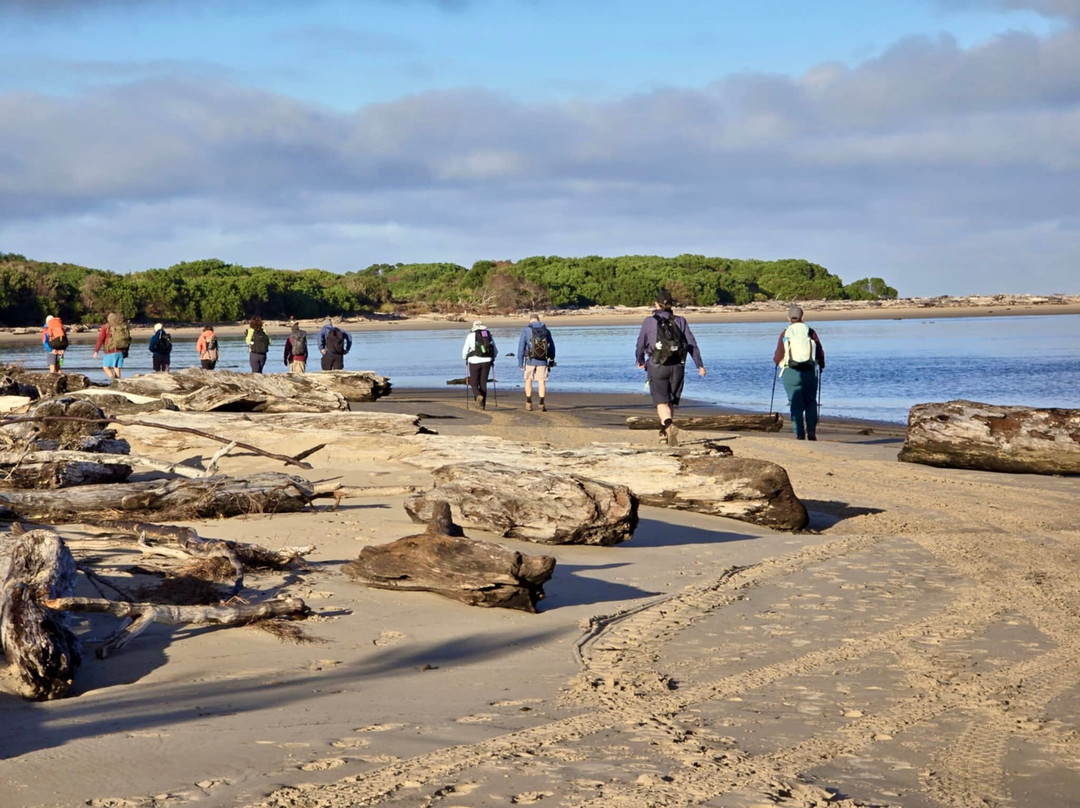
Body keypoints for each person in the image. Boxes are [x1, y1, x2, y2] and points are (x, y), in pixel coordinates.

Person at [635, 290, 706, 446]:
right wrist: (699, 365)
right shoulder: (681, 321)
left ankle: (667, 425)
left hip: (657, 365)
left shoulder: (649, 321)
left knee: (661, 401)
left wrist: (639, 359)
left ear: (656, 304)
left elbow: (641, 344)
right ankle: (664, 433)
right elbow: (692, 344)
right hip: (677, 366)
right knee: (671, 401)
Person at [773, 305, 826, 440]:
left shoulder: (786, 332)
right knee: (810, 402)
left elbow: (778, 356)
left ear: (788, 318)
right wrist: (821, 366)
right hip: (810, 371)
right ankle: (812, 432)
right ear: (803, 317)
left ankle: (799, 434)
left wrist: (777, 363)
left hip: (790, 372)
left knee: (795, 403)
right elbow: (819, 352)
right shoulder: (810, 331)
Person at [516, 313, 555, 411]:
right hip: (543, 360)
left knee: (528, 380)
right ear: (538, 320)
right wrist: (551, 359)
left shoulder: (526, 330)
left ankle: (529, 402)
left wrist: (520, 363)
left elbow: (521, 347)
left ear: (530, 321)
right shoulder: (546, 330)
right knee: (541, 382)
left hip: (530, 360)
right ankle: (541, 403)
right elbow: (552, 347)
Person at [462, 320, 497, 410]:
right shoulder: (487, 335)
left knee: (473, 382)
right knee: (483, 383)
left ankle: (478, 395)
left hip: (474, 361)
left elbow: (465, 351)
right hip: (487, 361)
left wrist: (465, 358)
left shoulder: (470, 336)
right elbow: (495, 350)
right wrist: (492, 358)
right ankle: (482, 405)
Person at [93, 312, 131, 380]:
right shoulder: (122, 327)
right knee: (116, 367)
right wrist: (126, 351)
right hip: (120, 350)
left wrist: (96, 351)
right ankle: (118, 381)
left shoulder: (106, 327)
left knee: (105, 367)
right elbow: (128, 340)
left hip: (110, 351)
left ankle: (113, 380)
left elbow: (100, 339)